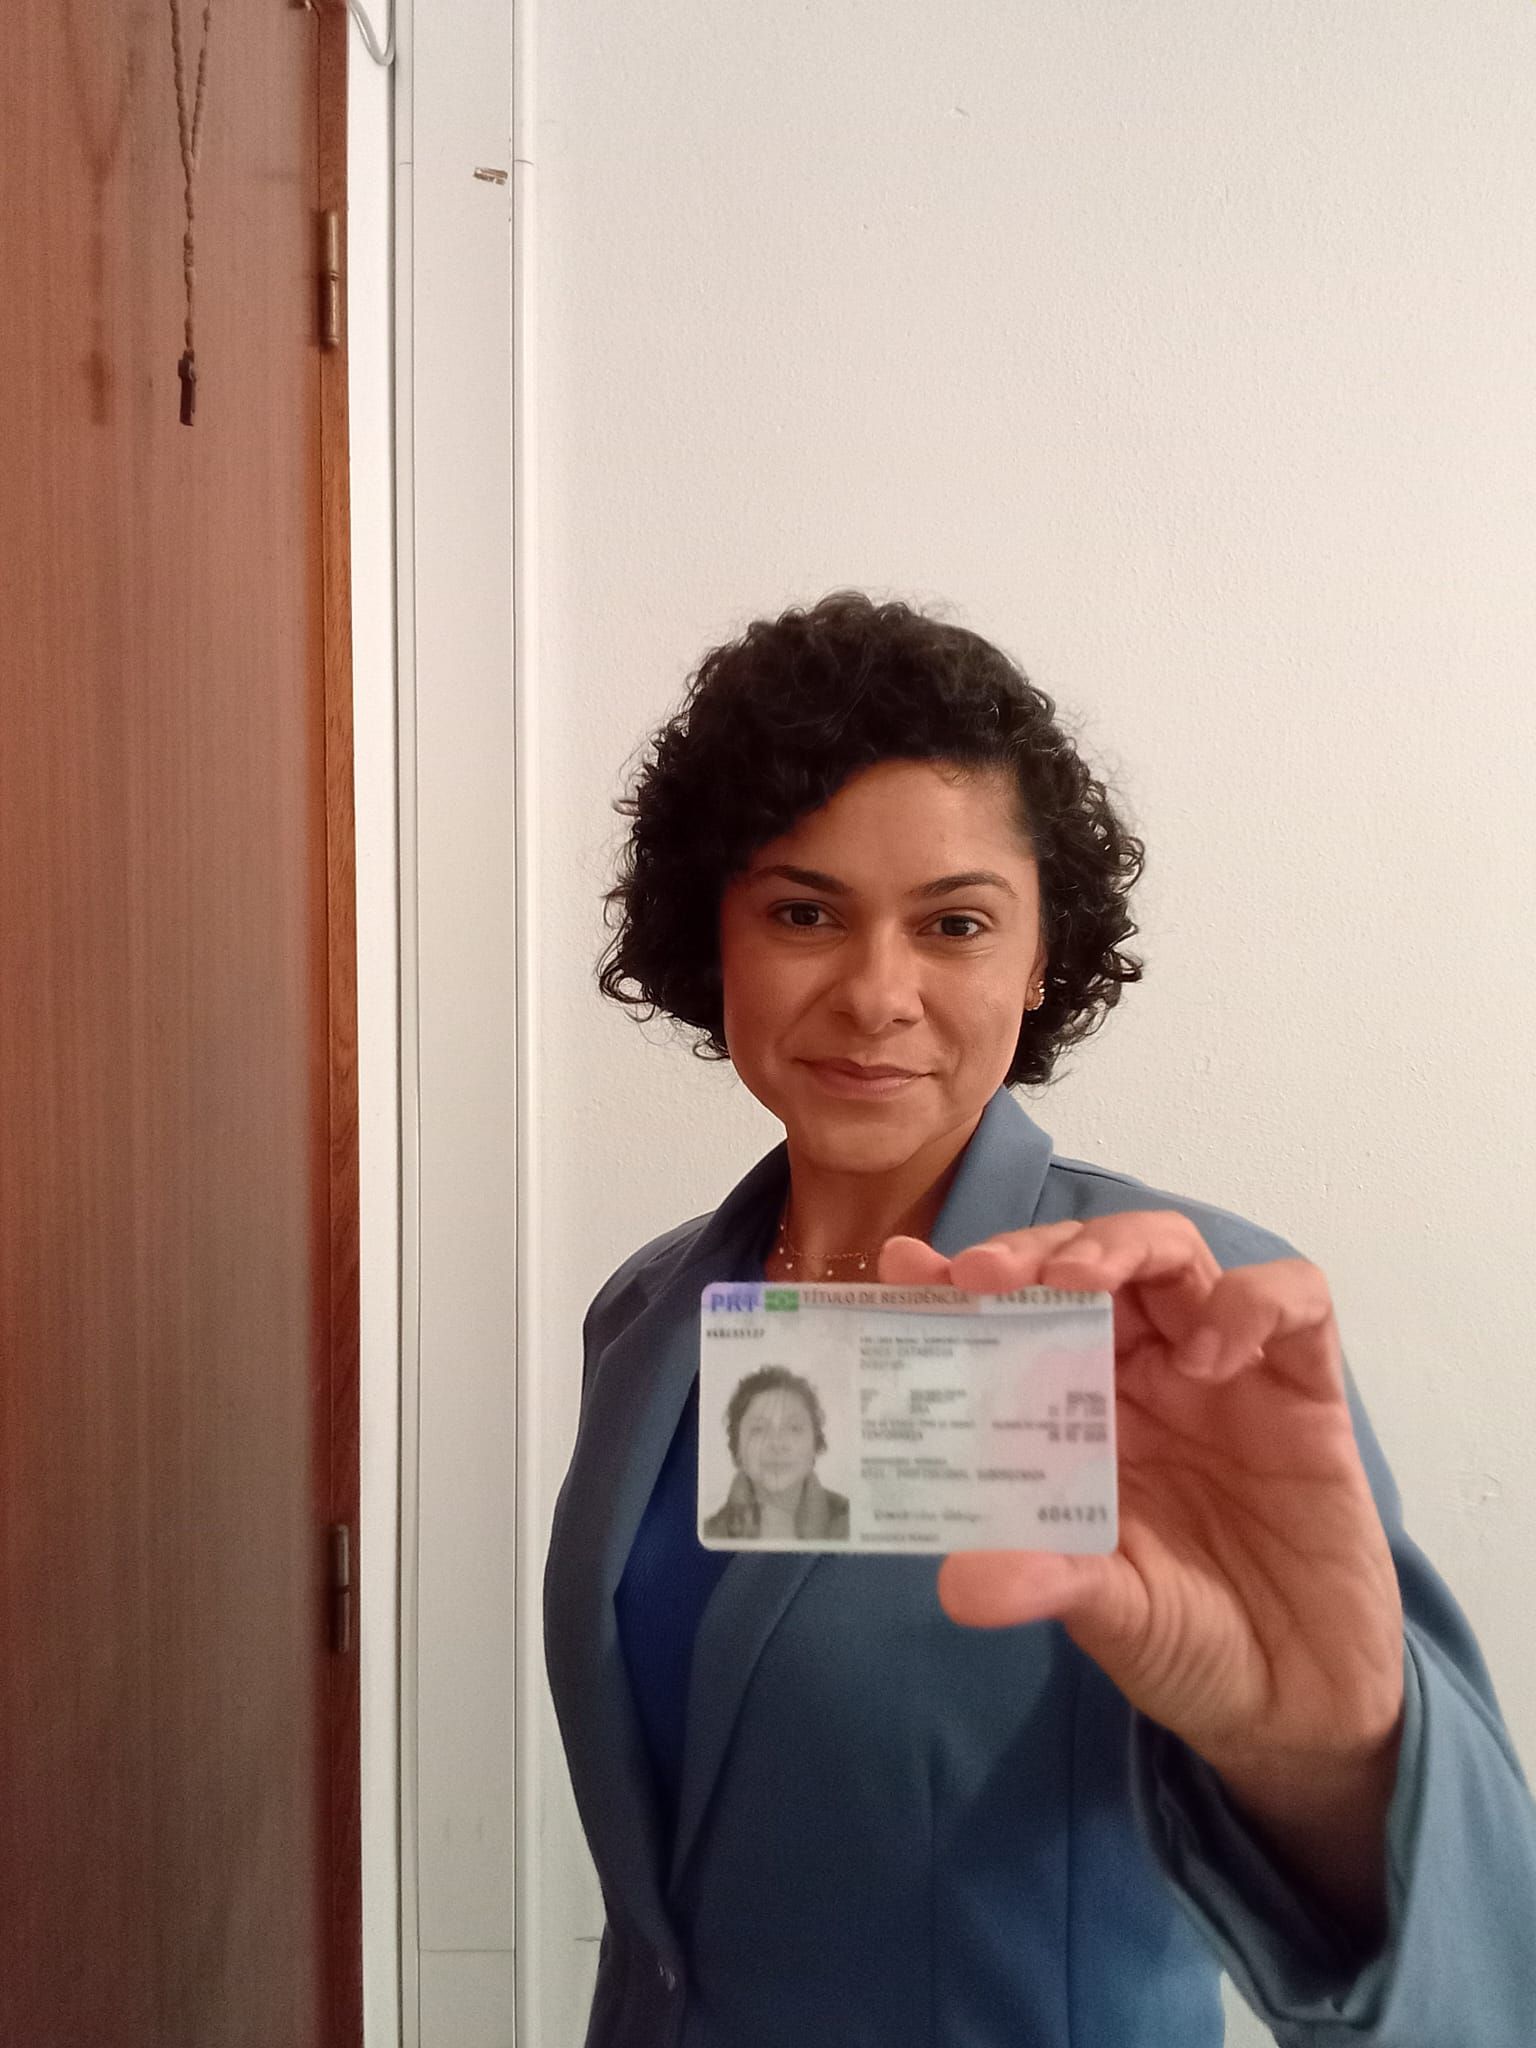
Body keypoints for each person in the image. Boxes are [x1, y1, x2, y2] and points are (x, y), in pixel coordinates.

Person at [544, 592, 1536, 2048]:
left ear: (1039, 957)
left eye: (953, 924)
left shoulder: (1164, 1320)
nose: (878, 994)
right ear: (720, 937)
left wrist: (1322, 1758)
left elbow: (1476, 1950)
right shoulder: (648, 1312)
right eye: (804, 911)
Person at [701, 1365, 850, 1542]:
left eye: (794, 1428)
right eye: (759, 1429)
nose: (777, 1444)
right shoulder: (710, 1534)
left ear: (815, 1444)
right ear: (738, 1448)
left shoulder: (850, 1523)